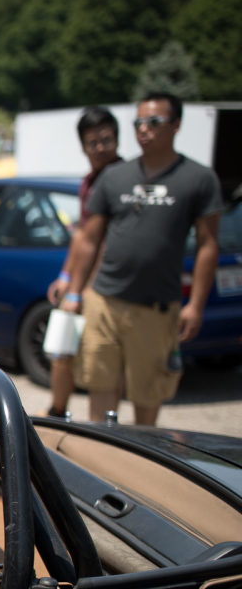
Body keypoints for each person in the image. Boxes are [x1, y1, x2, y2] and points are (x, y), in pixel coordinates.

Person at [64, 93, 223, 426]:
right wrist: (76, 292)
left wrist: (195, 305)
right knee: (100, 389)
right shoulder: (114, 177)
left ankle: (137, 468)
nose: (144, 130)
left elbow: (209, 245)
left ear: (176, 125)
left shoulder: (199, 178)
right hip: (104, 302)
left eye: (155, 122)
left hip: (155, 308)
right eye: (138, 123)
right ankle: (100, 462)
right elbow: (89, 238)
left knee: (147, 397)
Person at [44, 106, 124, 418]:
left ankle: (102, 432)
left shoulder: (125, 179)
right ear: (83, 146)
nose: (101, 148)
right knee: (61, 351)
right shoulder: (89, 182)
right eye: (94, 142)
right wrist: (66, 276)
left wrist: (87, 287)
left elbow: (110, 243)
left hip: (106, 287)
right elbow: (83, 235)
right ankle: (57, 413)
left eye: (107, 140)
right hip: (81, 286)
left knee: (102, 368)